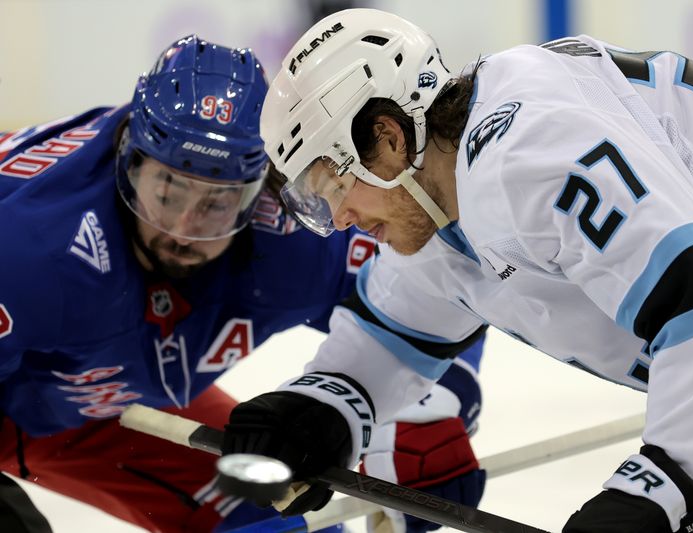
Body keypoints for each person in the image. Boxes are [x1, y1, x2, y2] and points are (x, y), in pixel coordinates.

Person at [219, 7, 693, 533]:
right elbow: (388, 336)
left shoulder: (530, 148)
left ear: (388, 138)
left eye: (332, 185)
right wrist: (314, 415)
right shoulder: (437, 196)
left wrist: (661, 497)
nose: (340, 218)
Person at [0, 34, 487, 533]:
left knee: (279, 518)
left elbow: (436, 281)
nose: (185, 229)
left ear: (259, 193)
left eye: (217, 204)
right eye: (168, 192)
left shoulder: (296, 232)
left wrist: (433, 402)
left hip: (102, 391)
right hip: (18, 399)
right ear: (129, 161)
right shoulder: (31, 248)